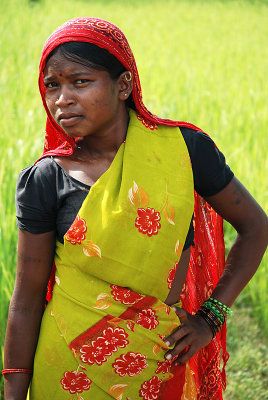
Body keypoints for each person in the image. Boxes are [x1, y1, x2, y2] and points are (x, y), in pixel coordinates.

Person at [3, 17, 267, 400]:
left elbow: (256, 227)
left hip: (162, 360)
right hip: (68, 371)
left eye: (80, 81)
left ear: (124, 85)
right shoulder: (45, 179)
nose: (62, 98)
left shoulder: (182, 152)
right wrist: (13, 394)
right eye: (51, 86)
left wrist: (210, 319)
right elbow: (26, 301)